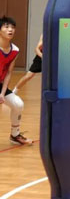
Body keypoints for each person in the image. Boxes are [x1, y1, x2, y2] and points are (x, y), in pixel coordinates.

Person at [0, 16, 32, 146]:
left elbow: (9, 73)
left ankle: (15, 135)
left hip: (1, 85)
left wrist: (2, 93)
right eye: (6, 27)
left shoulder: (15, 50)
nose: (10, 30)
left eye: (13, 27)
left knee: (18, 104)